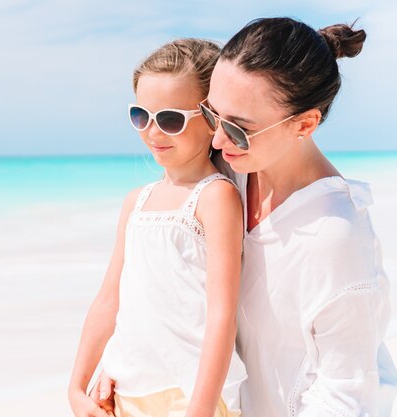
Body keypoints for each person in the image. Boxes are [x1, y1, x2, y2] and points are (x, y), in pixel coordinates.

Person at [92, 17, 395, 417]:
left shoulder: (335, 235)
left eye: (238, 129)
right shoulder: (234, 170)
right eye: (213, 115)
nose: (216, 140)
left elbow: (344, 395)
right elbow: (162, 286)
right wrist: (124, 363)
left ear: (305, 124)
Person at [67, 38, 247, 417]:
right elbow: (108, 300)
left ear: (212, 118)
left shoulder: (214, 198)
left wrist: (199, 410)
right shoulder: (137, 201)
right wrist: (76, 387)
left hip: (191, 395)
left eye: (170, 119)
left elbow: (221, 315)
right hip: (125, 390)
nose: (152, 132)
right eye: (140, 116)